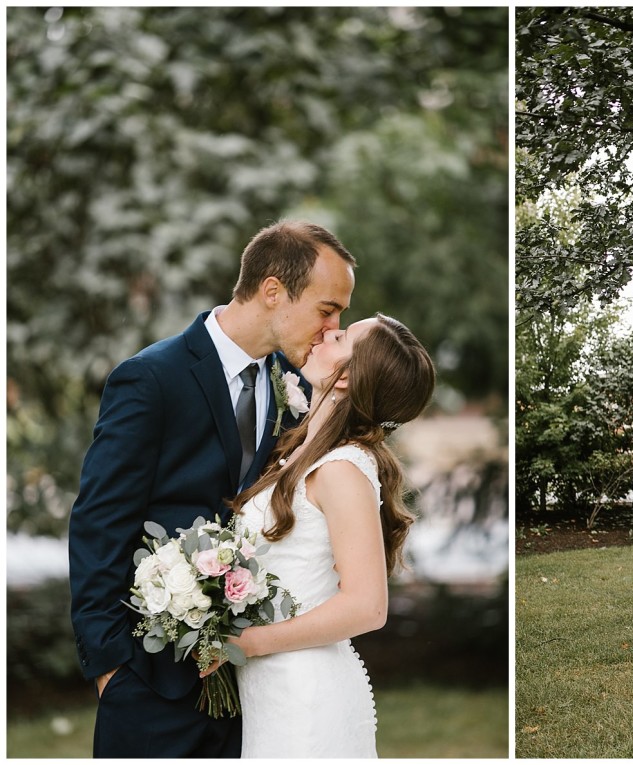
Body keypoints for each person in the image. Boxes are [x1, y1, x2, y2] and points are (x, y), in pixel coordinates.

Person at [68, 220, 356, 758]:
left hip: (253, 689)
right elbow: (97, 525)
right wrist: (110, 670)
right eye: (327, 308)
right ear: (273, 291)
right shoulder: (151, 379)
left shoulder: (290, 386)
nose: (333, 326)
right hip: (149, 681)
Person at [209, 314, 435, 758]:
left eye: (340, 336)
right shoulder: (304, 452)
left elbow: (367, 606)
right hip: (271, 691)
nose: (324, 333)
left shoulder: (342, 470)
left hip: (305, 697)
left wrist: (250, 642)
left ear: (347, 377)